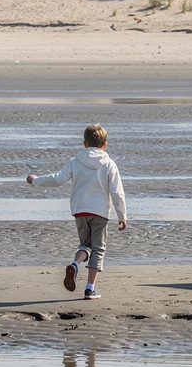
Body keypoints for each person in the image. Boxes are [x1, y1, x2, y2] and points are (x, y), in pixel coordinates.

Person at [27, 123, 127, 300]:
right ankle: (90, 288)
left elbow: (57, 179)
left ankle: (75, 263)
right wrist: (122, 216)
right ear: (105, 145)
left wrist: (35, 180)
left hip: (80, 210)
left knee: (85, 245)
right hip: (100, 212)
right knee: (98, 248)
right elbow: (116, 192)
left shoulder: (75, 161)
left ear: (85, 144)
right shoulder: (109, 164)